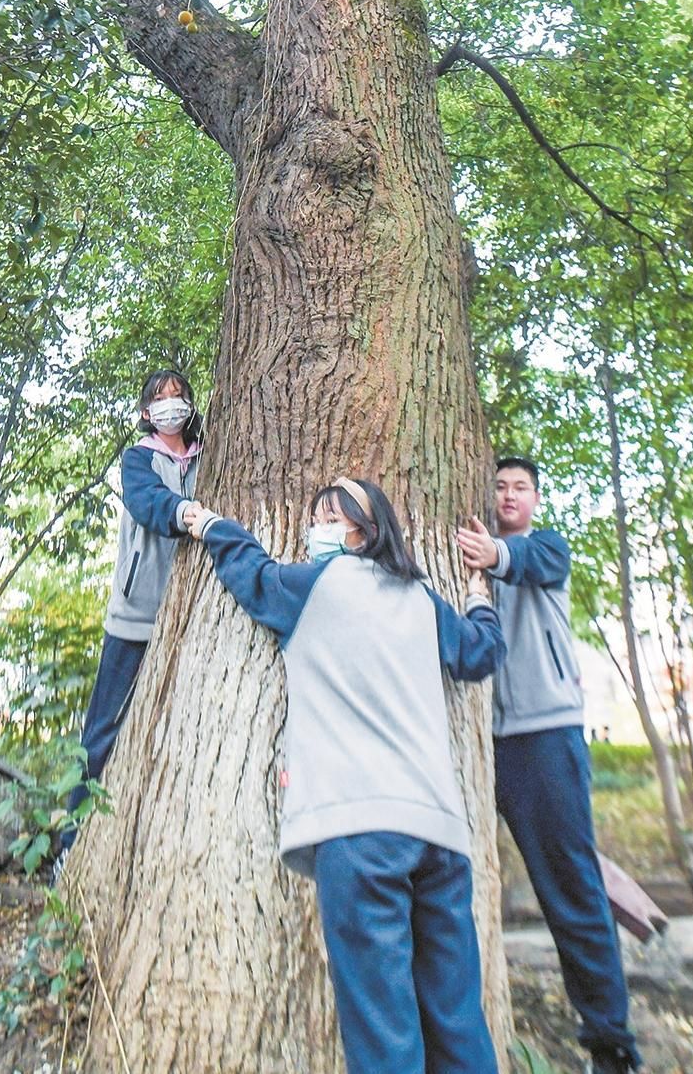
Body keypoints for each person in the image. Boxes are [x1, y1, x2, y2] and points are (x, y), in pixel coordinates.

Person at [182, 475, 503, 1074]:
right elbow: (478, 654)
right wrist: (479, 597)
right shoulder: (423, 599)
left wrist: (209, 525)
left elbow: (251, 571)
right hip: (439, 832)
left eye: (332, 518)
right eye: (318, 517)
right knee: (458, 1023)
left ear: (366, 530)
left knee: (384, 1037)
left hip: (360, 834)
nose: (317, 528)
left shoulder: (313, 587)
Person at [457, 456, 640, 1074]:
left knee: (571, 889)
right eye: (500, 486)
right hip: (480, 741)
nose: (509, 495)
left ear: (535, 499)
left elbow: (532, 562)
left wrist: (496, 556)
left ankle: (610, 1043)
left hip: (545, 739)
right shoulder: (464, 553)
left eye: (521, 488)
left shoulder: (545, 549)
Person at [58, 369, 203, 856]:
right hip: (136, 615)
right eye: (160, 398)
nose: (170, 404)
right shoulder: (139, 458)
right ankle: (70, 845)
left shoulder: (208, 456)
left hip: (192, 616)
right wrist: (185, 513)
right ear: (146, 412)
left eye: (177, 395)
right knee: (103, 730)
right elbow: (147, 504)